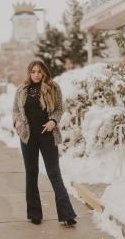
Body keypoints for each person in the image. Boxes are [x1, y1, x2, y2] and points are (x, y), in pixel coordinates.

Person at [12, 60, 77, 226]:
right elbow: (15, 110)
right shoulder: (21, 90)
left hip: (47, 134)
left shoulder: (53, 88)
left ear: (44, 73)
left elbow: (59, 108)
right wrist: (17, 123)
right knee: (31, 173)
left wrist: (53, 122)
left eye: (39, 71)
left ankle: (67, 214)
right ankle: (34, 213)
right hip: (27, 135)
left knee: (54, 173)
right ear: (29, 72)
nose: (36, 74)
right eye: (33, 71)